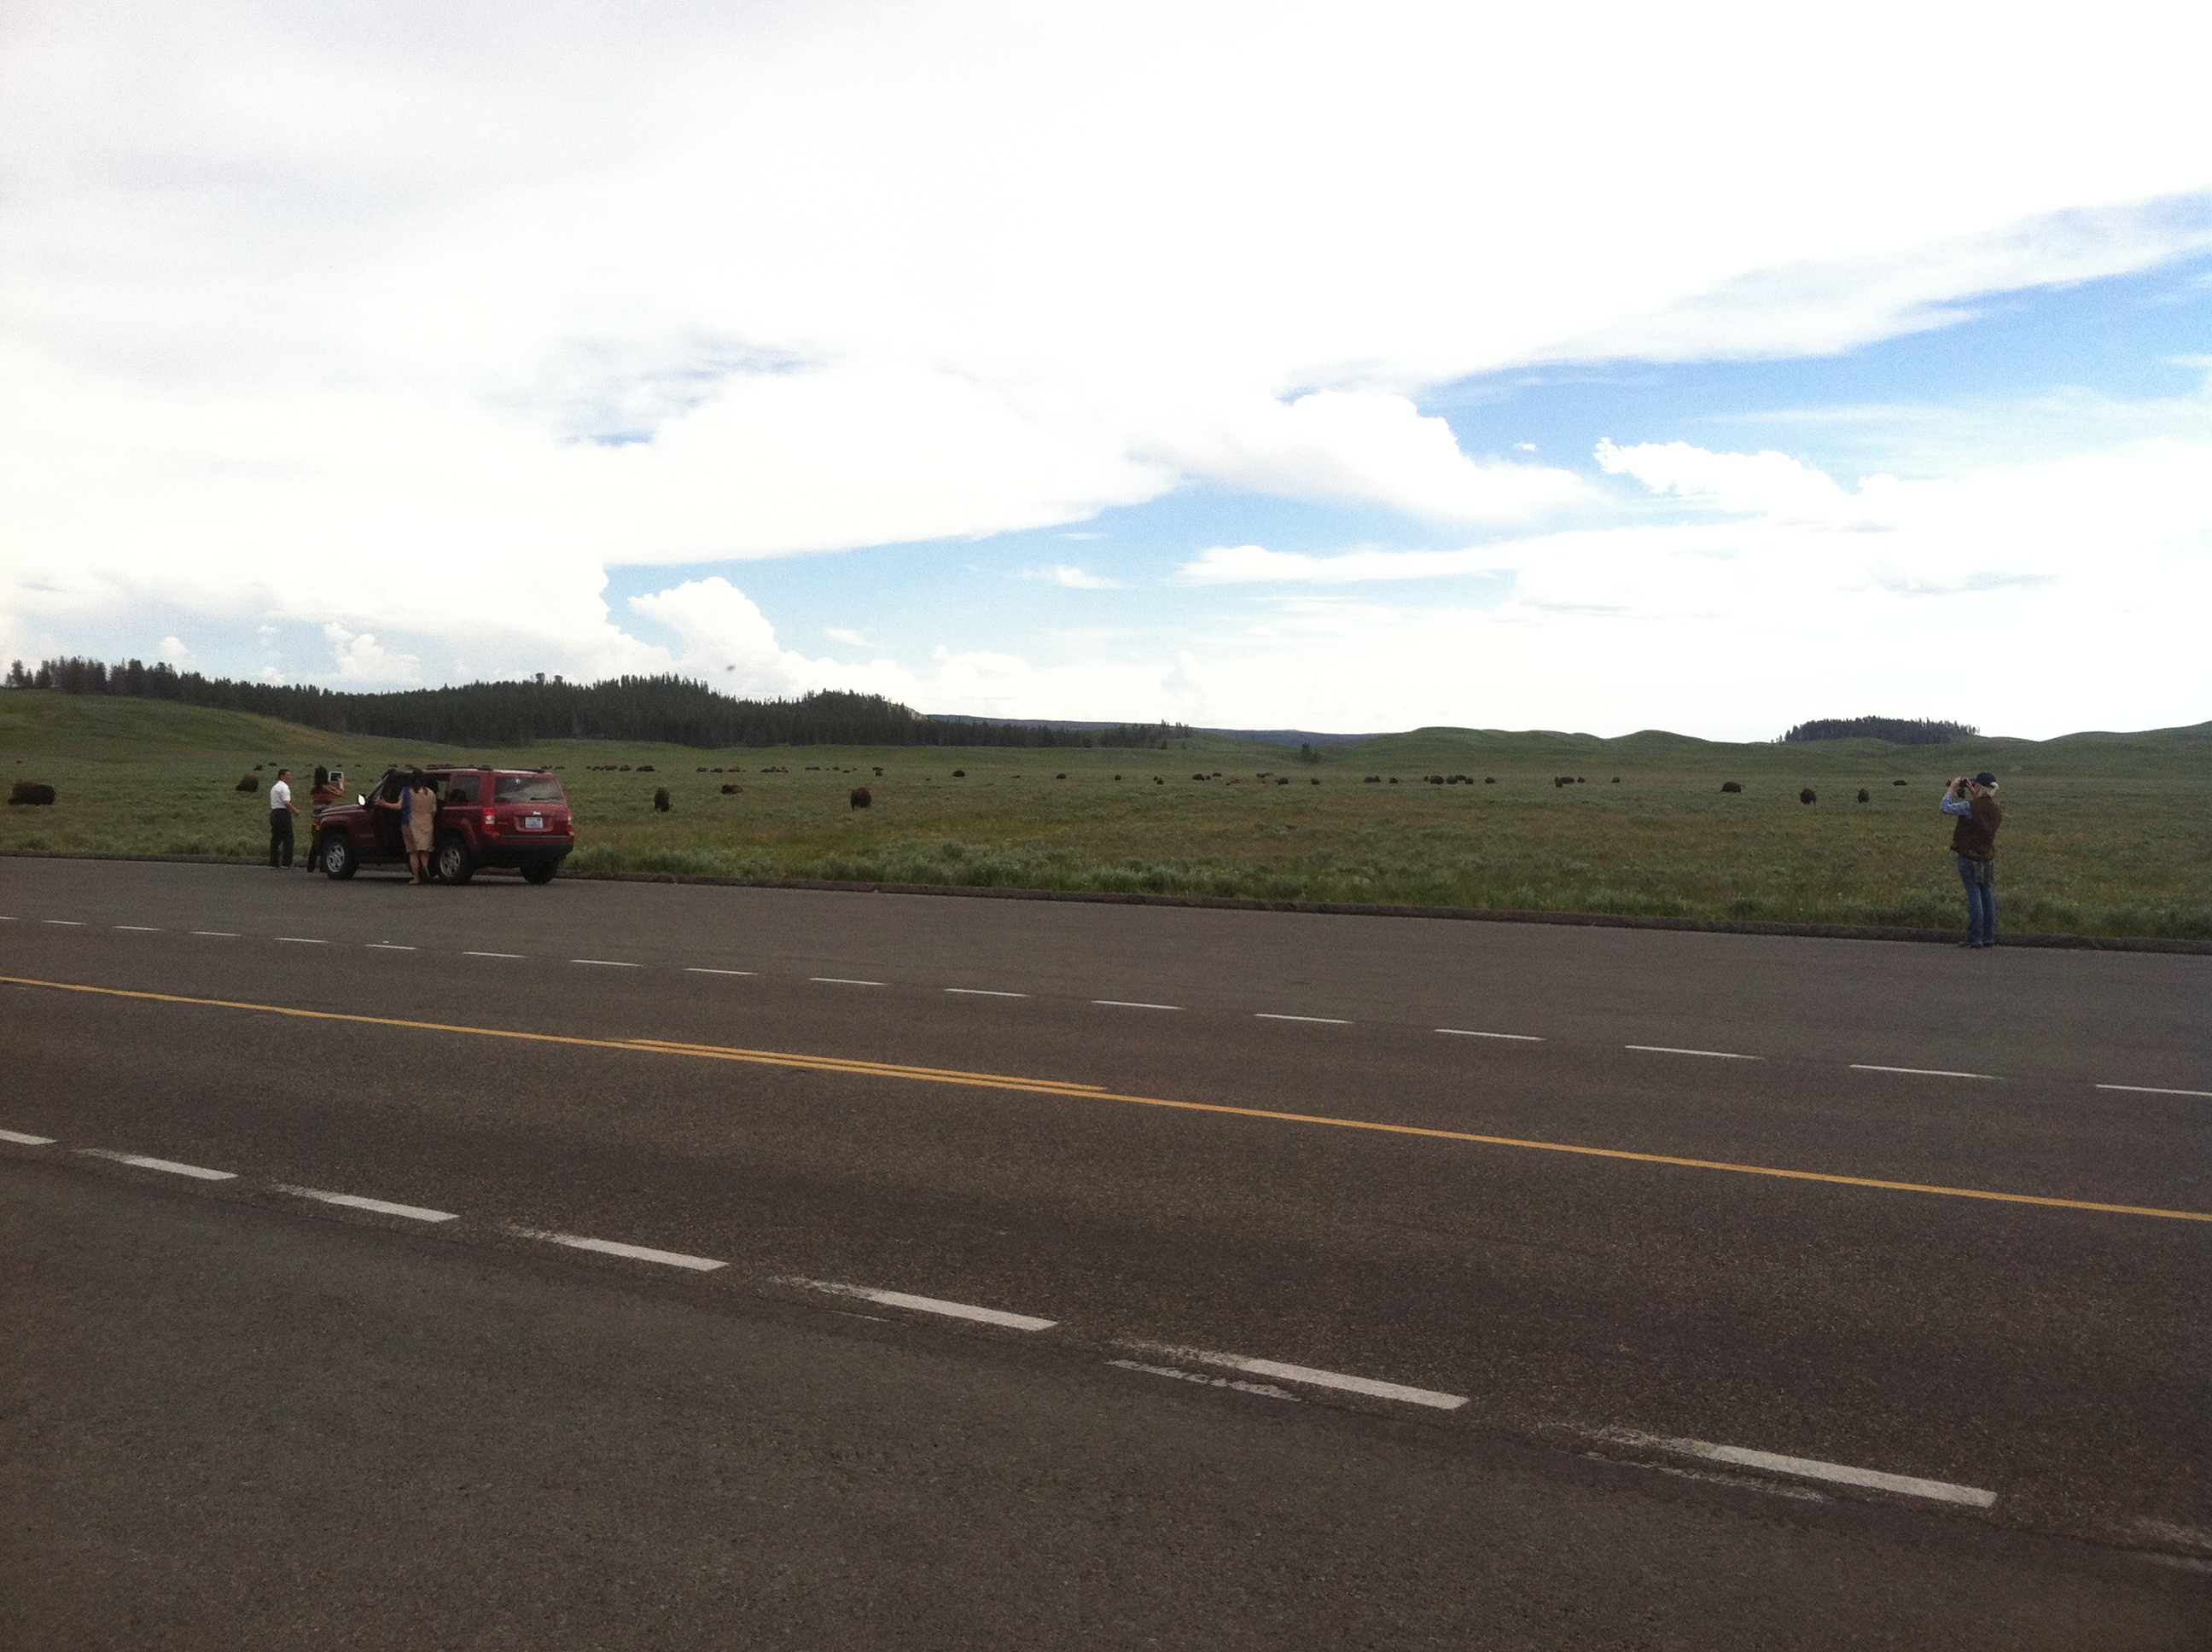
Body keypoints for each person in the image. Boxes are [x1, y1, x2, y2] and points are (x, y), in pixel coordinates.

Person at [1940, 771, 2003, 948]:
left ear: (1979, 787)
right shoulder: (1996, 809)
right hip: (1987, 857)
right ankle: (1988, 936)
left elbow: (1945, 808)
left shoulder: (1969, 806)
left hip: (1969, 857)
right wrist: (1976, 793)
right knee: (1987, 895)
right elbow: (1982, 810)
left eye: (1975, 785)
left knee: (1975, 896)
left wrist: (1951, 790)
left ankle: (1974, 938)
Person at [404, 770, 439, 884]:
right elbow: (434, 810)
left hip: (411, 823)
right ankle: (425, 866)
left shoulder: (408, 793)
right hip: (427, 822)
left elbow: (402, 807)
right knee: (425, 850)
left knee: (413, 852)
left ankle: (416, 877)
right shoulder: (430, 793)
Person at [267, 768, 300, 869]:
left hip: (274, 812)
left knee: (276, 838)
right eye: (288, 775)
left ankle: (273, 862)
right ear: (282, 776)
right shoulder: (284, 788)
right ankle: (287, 862)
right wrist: (295, 811)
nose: (290, 777)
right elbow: (286, 802)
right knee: (288, 838)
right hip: (283, 813)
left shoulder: (274, 787)